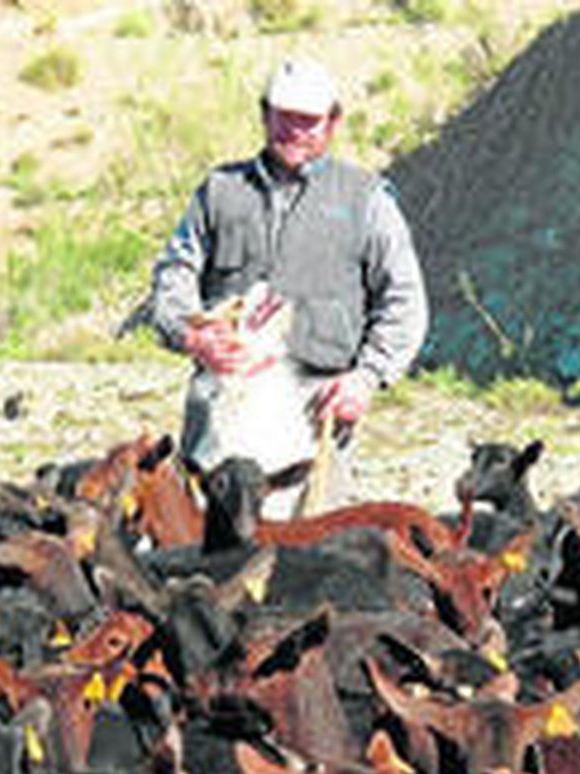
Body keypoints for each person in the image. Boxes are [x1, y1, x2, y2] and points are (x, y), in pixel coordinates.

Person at [149, 56, 428, 515]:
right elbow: (173, 275)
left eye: (310, 120)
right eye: (285, 117)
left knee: (308, 564)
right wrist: (189, 334)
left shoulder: (366, 199)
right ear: (264, 114)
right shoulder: (219, 190)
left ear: (334, 121)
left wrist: (366, 377)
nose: (297, 130)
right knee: (208, 560)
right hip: (221, 406)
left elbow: (404, 301)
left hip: (314, 409)